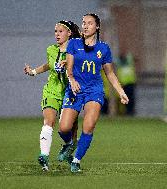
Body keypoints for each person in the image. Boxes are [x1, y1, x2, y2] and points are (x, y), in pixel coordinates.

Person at [57, 13, 129, 173]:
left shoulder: (103, 48)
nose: (85, 25)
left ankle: (76, 160)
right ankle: (69, 144)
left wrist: (120, 91)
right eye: (83, 23)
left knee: (88, 126)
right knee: (64, 128)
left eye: (89, 23)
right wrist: (72, 80)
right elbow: (69, 69)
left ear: (97, 27)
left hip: (94, 91)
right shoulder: (74, 44)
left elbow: (110, 73)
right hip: (75, 89)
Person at [24, 20, 81, 171]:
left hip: (70, 92)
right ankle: (44, 156)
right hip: (52, 90)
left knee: (67, 129)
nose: (57, 34)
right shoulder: (51, 49)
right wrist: (34, 72)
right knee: (49, 120)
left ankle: (69, 147)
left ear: (69, 33)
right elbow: (49, 64)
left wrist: (70, 65)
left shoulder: (77, 50)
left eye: (60, 31)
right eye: (55, 31)